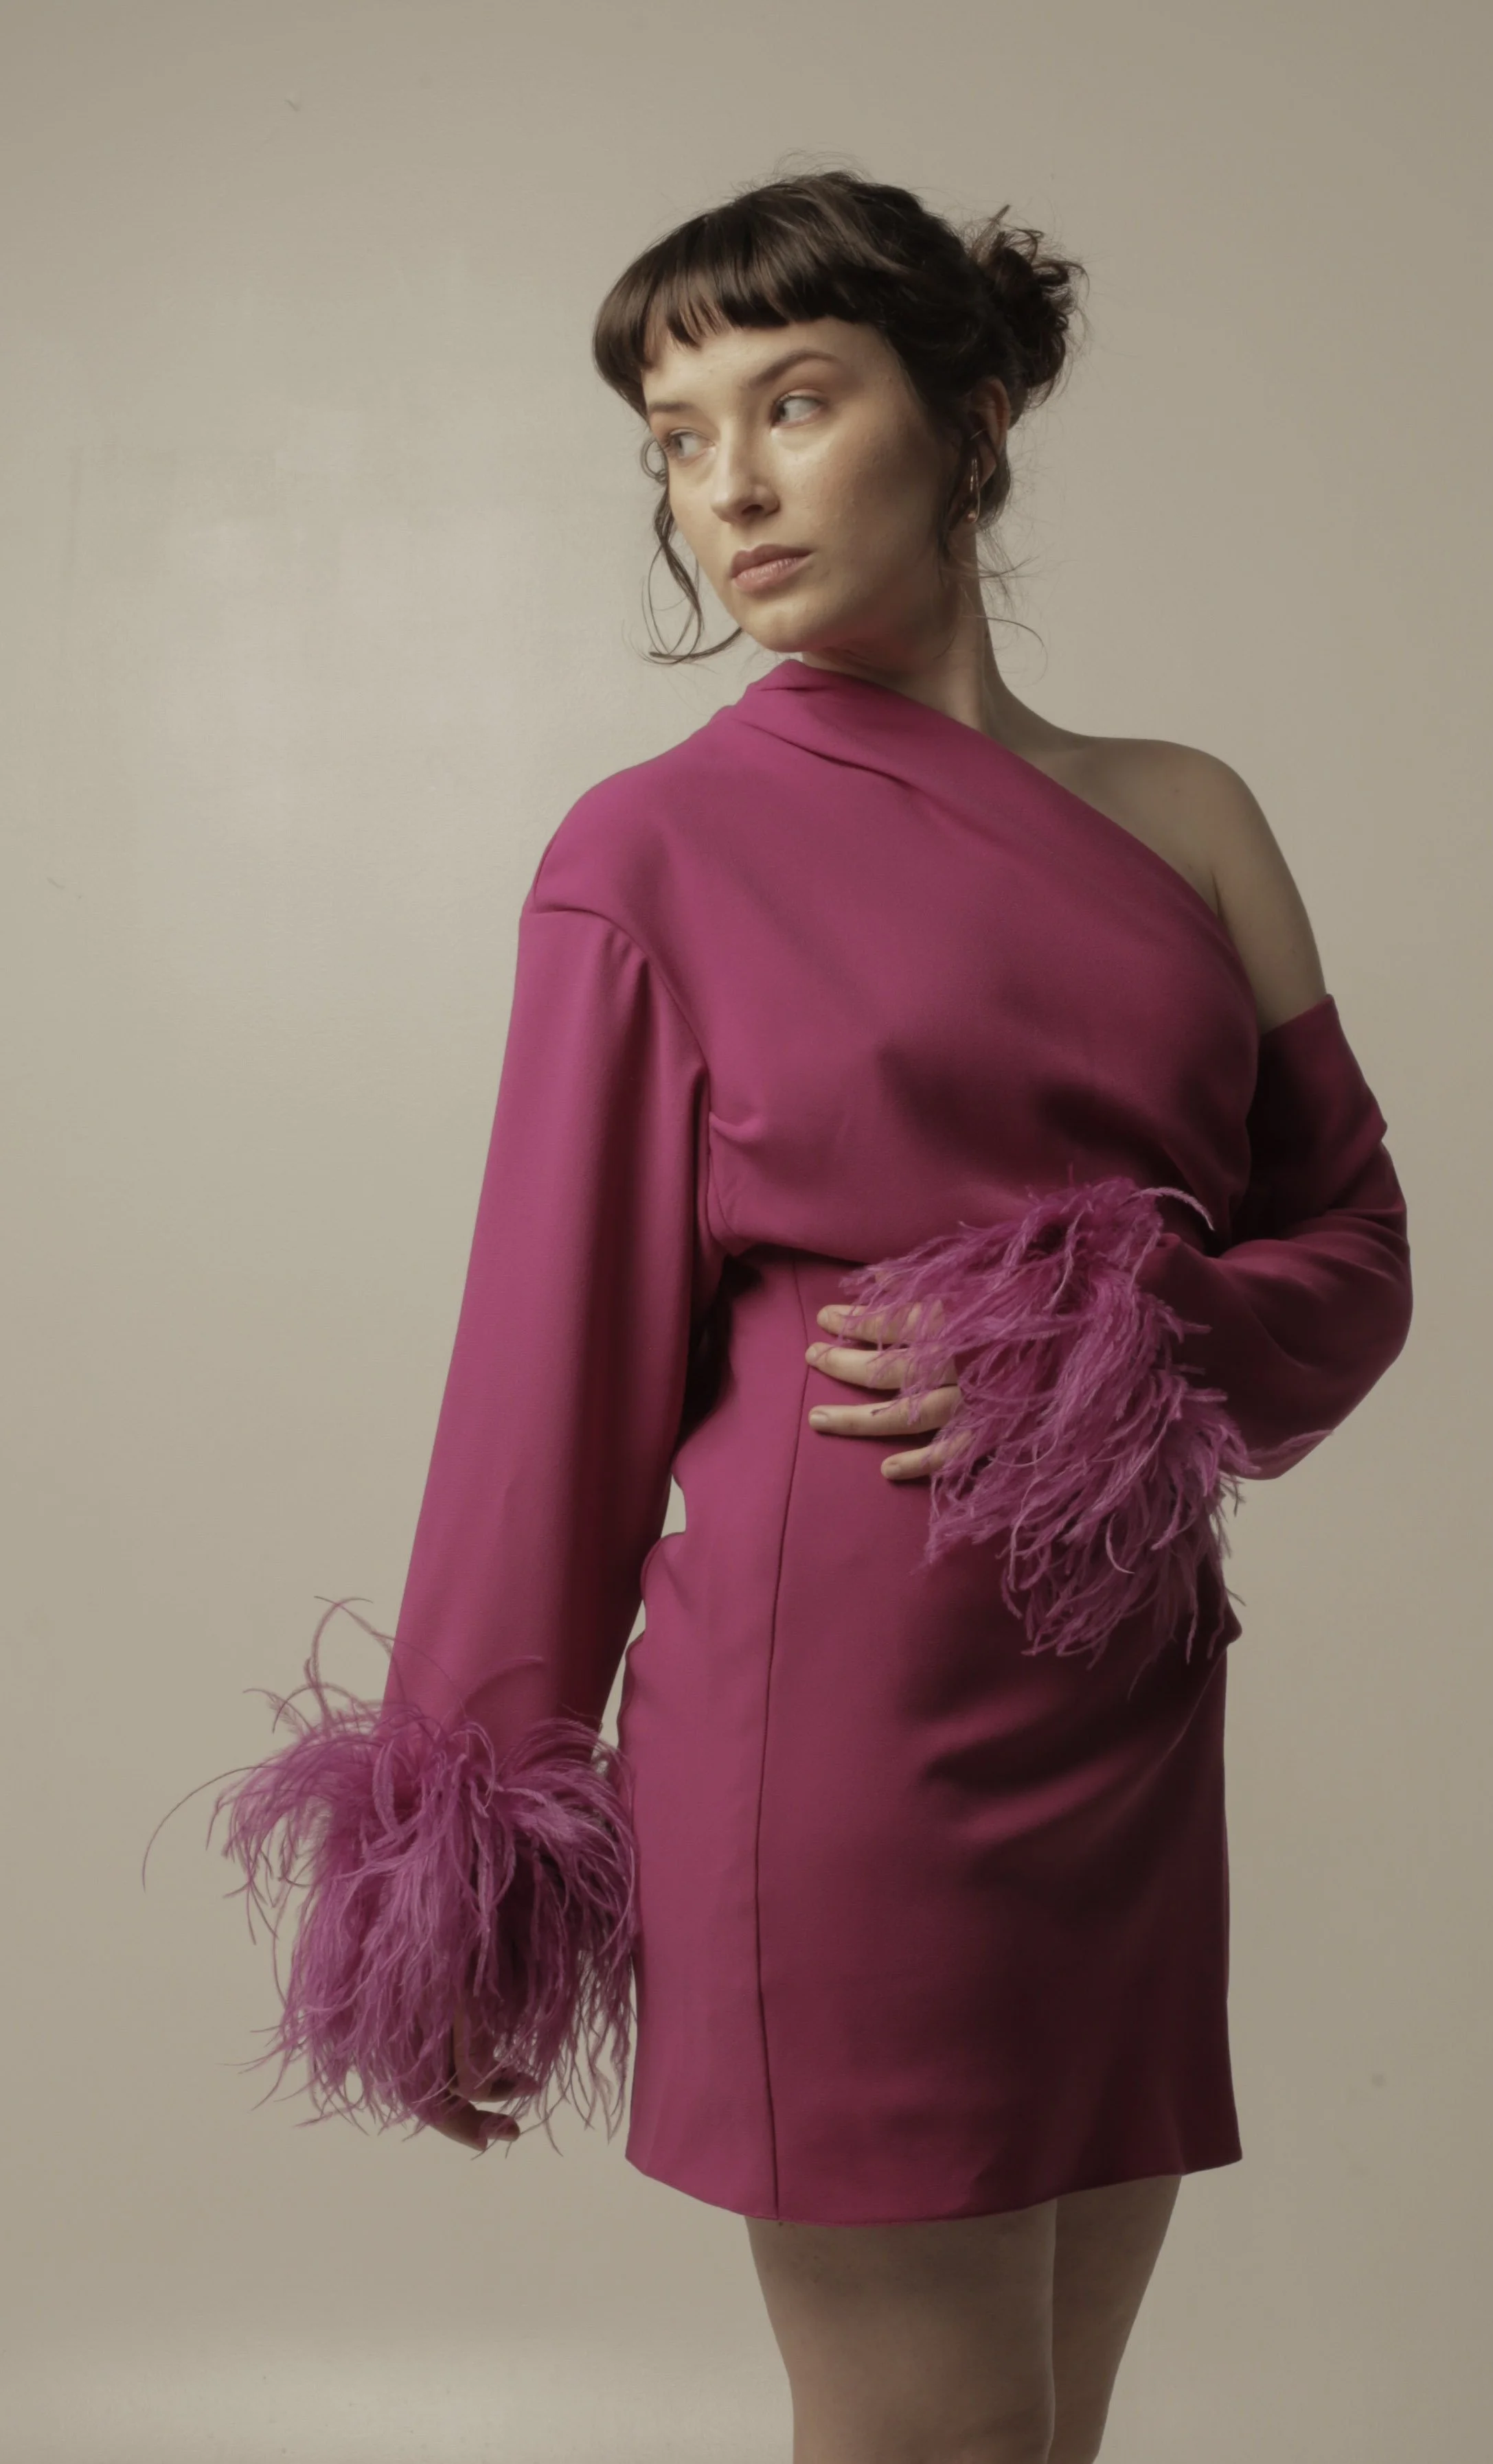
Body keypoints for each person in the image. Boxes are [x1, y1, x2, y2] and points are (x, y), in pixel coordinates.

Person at [204, 170, 1414, 2464]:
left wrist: (1127, 1320)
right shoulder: (651, 851)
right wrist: (466, 1859)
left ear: (972, 422)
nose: (726, 486)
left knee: (1044, 2435)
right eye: (676, 437)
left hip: (1127, 1751)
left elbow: (1351, 1244)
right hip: (834, 1765)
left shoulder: (1189, 818)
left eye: (793, 402)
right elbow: (546, 1383)